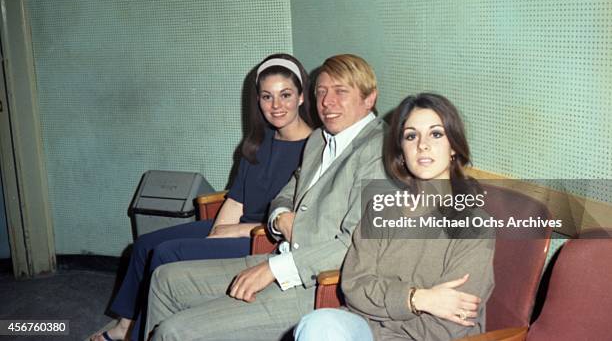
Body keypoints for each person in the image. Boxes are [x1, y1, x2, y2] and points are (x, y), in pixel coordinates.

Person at [143, 54, 388, 340]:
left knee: (175, 332)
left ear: (369, 98)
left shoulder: (382, 153)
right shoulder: (319, 139)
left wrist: (273, 268)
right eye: (321, 92)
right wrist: (279, 217)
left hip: (319, 286)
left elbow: (356, 247)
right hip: (281, 256)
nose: (327, 102)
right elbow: (285, 194)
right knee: (164, 280)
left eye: (340, 92)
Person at [91, 53, 313, 341]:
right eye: (267, 97)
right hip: (236, 228)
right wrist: (217, 234)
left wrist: (233, 232)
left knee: (166, 253)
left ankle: (140, 336)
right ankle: (125, 326)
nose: (276, 106)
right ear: (257, 101)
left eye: (285, 95)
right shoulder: (259, 142)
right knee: (145, 245)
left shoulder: (315, 149)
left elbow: (299, 221)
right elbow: (236, 199)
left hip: (264, 238)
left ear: (301, 97)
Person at [294, 93, 495, 341]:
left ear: (453, 145)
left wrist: (385, 311)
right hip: (365, 328)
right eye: (411, 136)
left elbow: (451, 323)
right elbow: (355, 286)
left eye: (436, 134)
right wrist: (416, 298)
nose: (422, 145)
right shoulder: (380, 210)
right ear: (401, 149)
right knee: (318, 323)